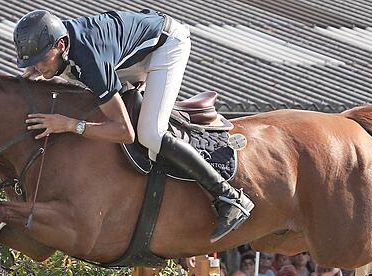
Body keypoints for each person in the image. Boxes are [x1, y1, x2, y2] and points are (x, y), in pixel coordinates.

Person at [13, 9, 253, 242]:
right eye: (32, 63)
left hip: (166, 45)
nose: (38, 68)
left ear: (61, 46)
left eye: (42, 60)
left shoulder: (89, 61)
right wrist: (38, 71)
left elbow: (124, 132)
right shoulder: (59, 41)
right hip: (133, 52)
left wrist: (69, 124)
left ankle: (229, 198)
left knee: (150, 134)